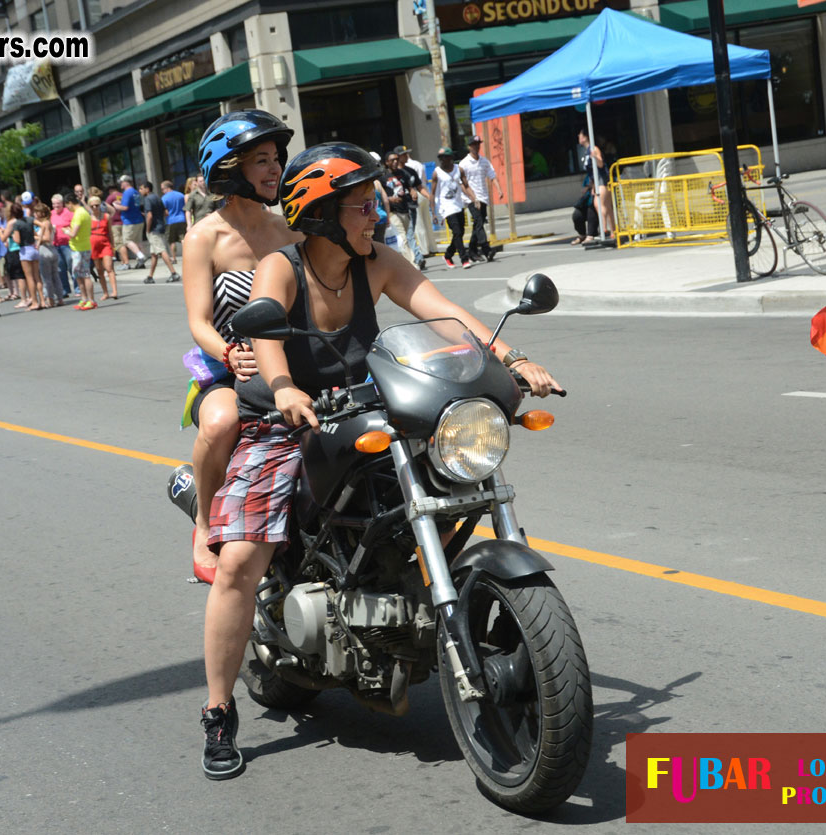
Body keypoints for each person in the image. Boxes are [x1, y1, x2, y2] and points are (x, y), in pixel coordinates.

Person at [198, 141, 561, 780]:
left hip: (368, 410)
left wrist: (510, 359)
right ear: (319, 213)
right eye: (363, 206)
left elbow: (444, 314)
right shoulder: (282, 268)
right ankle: (219, 708)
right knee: (242, 560)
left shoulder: (379, 263)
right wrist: (282, 387)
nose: (377, 216)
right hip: (283, 420)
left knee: (449, 478)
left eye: (375, 203)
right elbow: (263, 334)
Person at [180, 109, 299, 585]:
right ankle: (205, 524)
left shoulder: (290, 229)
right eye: (262, 161)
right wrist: (230, 354)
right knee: (223, 420)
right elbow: (199, 322)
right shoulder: (203, 237)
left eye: (276, 159)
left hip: (290, 364)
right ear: (230, 170)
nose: (275, 170)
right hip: (234, 368)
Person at [431, 146, 476, 269]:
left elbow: (465, 186)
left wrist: (474, 198)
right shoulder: (437, 172)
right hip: (446, 207)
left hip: (458, 205)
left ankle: (448, 255)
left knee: (459, 233)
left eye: (444, 157)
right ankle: (464, 259)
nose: (442, 160)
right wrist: (434, 212)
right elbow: (433, 193)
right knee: (456, 231)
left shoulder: (459, 169)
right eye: (440, 158)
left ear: (450, 158)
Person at [460, 136, 504, 262]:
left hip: (483, 197)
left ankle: (472, 251)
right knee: (479, 221)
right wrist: (472, 198)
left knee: (478, 225)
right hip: (471, 199)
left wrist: (499, 189)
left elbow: (492, 176)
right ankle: (486, 249)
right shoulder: (464, 164)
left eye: (478, 144)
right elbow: (462, 184)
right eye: (474, 144)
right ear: (469, 146)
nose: (476, 146)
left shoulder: (485, 161)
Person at [394, 144, 432, 262]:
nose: (406, 156)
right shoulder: (393, 173)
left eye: (407, 154)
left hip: (411, 205)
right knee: (407, 234)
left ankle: (415, 257)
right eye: (403, 155)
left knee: (410, 232)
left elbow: (419, 187)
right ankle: (417, 257)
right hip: (399, 208)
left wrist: (429, 197)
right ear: (397, 157)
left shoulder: (411, 171)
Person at [62, 192, 98, 310]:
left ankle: (90, 300)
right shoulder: (83, 212)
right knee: (78, 275)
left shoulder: (79, 214)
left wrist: (66, 231)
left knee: (84, 275)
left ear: (70, 203)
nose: (67, 208)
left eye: (66, 205)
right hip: (81, 247)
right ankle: (84, 299)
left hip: (80, 248)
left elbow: (73, 233)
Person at [577, 128, 615, 240]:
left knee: (599, 203)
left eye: (580, 135)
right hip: (597, 180)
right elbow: (591, 172)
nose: (578, 137)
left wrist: (595, 157)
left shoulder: (594, 149)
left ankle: (604, 228)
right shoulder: (587, 151)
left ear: (585, 137)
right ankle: (614, 230)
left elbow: (600, 164)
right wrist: (593, 186)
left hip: (602, 178)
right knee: (607, 206)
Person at [12, 191, 46, 311]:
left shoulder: (17, 224)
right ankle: (42, 300)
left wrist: (12, 236)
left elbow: (17, 240)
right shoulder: (30, 219)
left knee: (29, 277)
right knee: (38, 276)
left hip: (25, 250)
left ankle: (35, 302)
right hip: (33, 248)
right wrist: (39, 239)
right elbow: (42, 225)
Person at [140, 181, 178, 284]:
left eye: (141, 188)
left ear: (147, 189)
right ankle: (150, 276)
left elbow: (150, 216)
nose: (140, 191)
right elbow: (166, 212)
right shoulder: (157, 197)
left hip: (153, 229)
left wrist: (147, 229)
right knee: (154, 254)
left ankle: (173, 273)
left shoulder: (147, 199)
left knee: (161, 250)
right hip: (161, 226)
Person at [383, 152, 417, 266]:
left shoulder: (402, 173)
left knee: (405, 237)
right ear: (387, 162)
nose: (395, 162)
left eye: (397, 159)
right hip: (393, 212)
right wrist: (389, 199)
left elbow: (410, 186)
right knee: (403, 238)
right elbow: (378, 194)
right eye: (392, 160)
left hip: (404, 210)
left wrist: (413, 192)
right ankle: (412, 264)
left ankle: (400, 263)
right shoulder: (383, 177)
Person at [34, 201, 64, 307]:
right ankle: (60, 298)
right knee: (55, 275)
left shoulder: (45, 223)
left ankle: (50, 299)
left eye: (37, 212)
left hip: (45, 250)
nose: (35, 215)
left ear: (41, 213)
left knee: (46, 277)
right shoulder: (48, 222)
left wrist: (35, 237)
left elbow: (46, 238)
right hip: (52, 250)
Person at [87, 196, 118, 300]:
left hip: (105, 243)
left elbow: (110, 232)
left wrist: (113, 246)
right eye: (92, 206)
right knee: (99, 270)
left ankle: (114, 291)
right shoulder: (88, 218)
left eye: (97, 205)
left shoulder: (106, 216)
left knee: (109, 268)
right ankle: (105, 292)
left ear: (100, 205)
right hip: (94, 246)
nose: (95, 207)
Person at [117, 174, 148, 270]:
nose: (120, 184)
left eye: (121, 182)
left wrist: (116, 206)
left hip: (129, 221)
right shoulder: (135, 192)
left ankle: (140, 256)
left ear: (126, 182)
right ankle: (141, 261)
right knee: (138, 241)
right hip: (138, 219)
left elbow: (125, 207)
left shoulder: (127, 192)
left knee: (127, 241)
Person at [49, 192, 76, 296]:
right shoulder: (51, 214)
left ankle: (77, 288)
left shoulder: (68, 212)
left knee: (71, 265)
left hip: (68, 243)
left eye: (58, 203)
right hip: (56, 244)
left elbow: (74, 225)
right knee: (60, 269)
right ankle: (65, 290)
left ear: (62, 203)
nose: (56, 206)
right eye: (54, 204)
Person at [571, 172, 601, 244]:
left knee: (591, 212)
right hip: (586, 200)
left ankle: (591, 234)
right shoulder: (588, 176)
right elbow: (584, 189)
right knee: (577, 215)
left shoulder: (600, 172)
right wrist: (588, 187)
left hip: (596, 200)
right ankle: (582, 235)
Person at [161, 180, 187, 262]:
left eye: (162, 189)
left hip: (171, 221)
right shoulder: (180, 195)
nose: (162, 191)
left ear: (167, 188)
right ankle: (186, 256)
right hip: (182, 218)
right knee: (183, 238)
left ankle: (174, 258)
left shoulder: (164, 198)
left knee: (172, 241)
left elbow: (166, 212)